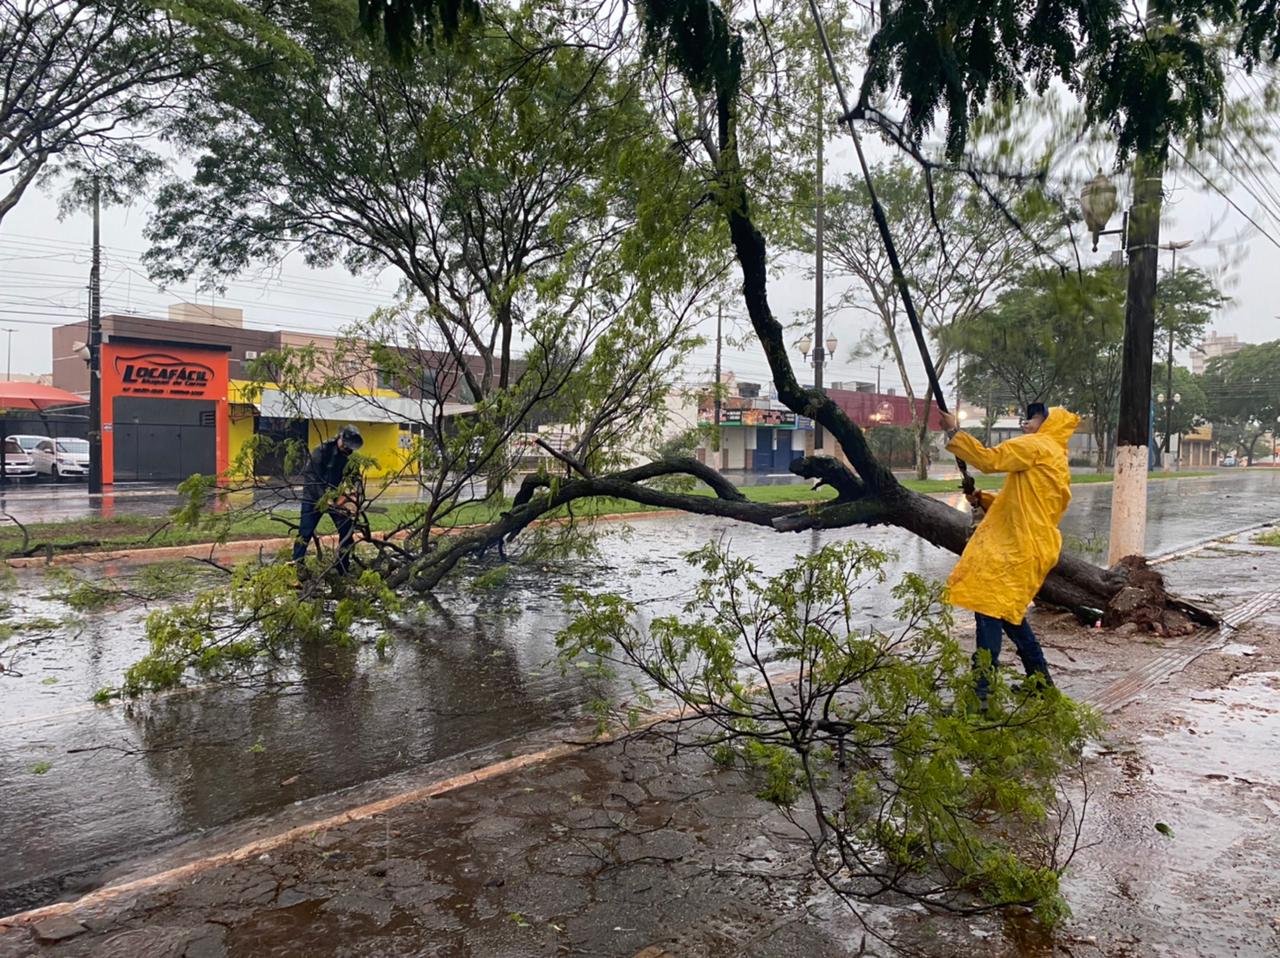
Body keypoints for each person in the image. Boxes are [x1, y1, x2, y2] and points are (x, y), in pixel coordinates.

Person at [937, 402, 1081, 705]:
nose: (1027, 422)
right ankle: (1041, 683)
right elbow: (1024, 502)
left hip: (1014, 549)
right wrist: (983, 499)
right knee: (1010, 615)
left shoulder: (1038, 446)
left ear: (1048, 424)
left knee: (988, 609)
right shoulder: (1055, 457)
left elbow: (989, 460)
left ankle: (982, 694)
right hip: (1031, 547)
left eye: (1035, 417)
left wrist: (954, 431)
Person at [293, 424, 364, 576]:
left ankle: (342, 567)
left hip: (334, 496)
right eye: (346, 446)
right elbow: (311, 478)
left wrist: (352, 496)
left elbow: (355, 477)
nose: (347, 450)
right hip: (313, 497)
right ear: (340, 439)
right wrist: (324, 499)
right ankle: (297, 567)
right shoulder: (321, 451)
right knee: (304, 533)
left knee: (346, 531)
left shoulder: (349, 457)